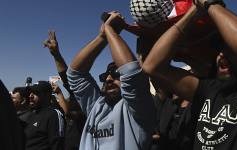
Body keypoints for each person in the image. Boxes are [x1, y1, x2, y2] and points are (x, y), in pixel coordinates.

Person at [142, 1, 237, 149]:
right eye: (219, 49)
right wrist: (192, 13)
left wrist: (211, 4)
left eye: (231, 49)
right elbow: (152, 67)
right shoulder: (209, 89)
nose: (222, 55)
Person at [67, 11, 156, 150]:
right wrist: (102, 37)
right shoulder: (95, 106)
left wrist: (109, 30)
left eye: (116, 74)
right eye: (106, 75)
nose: (108, 79)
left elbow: (131, 72)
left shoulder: (139, 108)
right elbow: (75, 74)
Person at [44, 30, 86, 150]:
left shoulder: (91, 105)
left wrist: (59, 94)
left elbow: (68, 113)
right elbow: (67, 78)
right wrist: (56, 54)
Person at [25, 81, 64, 150]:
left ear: (47, 95)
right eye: (30, 92)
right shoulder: (32, 115)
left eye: (36, 93)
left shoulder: (53, 114)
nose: (30, 96)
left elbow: (57, 145)